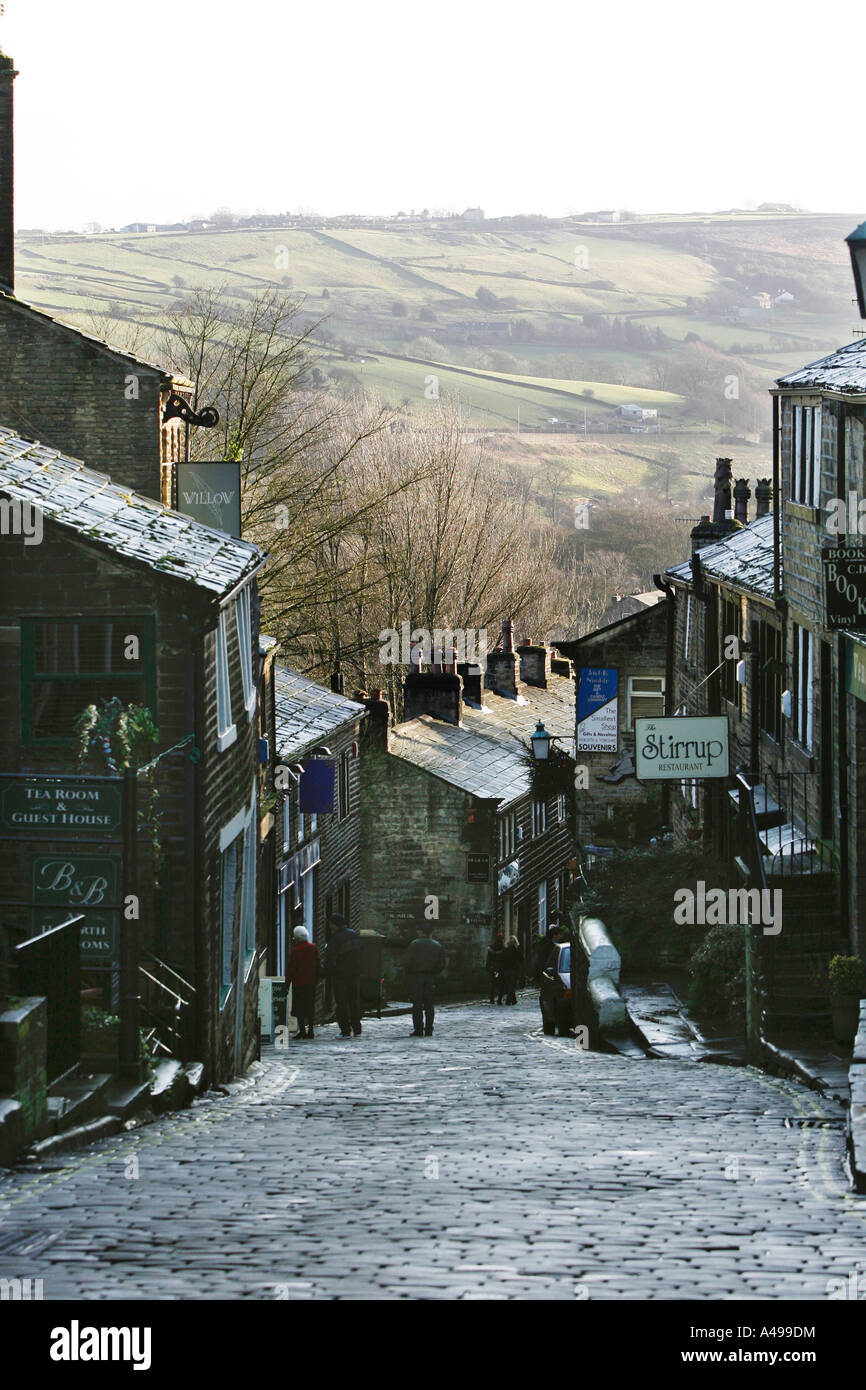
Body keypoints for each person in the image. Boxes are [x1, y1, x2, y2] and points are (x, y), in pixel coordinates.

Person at [324, 913, 362, 1037]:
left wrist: (328, 972)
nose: (329, 926)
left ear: (335, 925)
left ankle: (345, 1031)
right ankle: (357, 1029)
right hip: (354, 974)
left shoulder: (335, 939)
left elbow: (330, 958)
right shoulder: (354, 935)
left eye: (331, 924)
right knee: (354, 1002)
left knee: (341, 1003)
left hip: (340, 975)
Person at [405, 923, 445, 1036]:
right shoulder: (437, 945)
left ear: (421, 932)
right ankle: (429, 1029)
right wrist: (434, 972)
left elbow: (407, 961)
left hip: (416, 976)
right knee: (429, 1004)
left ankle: (418, 1029)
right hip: (430, 976)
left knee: (417, 1004)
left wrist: (410, 972)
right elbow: (442, 964)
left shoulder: (415, 944)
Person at [285, 924, 321, 1040]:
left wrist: (287, 984)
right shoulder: (313, 948)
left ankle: (302, 1031)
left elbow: (291, 969)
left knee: (299, 1008)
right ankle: (311, 1030)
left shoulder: (296, 951)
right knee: (310, 1006)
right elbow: (318, 964)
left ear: (297, 938)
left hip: (299, 983)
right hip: (311, 982)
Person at [486, 933, 506, 1004]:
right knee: (501, 984)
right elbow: (505, 960)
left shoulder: (491, 948)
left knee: (493, 984)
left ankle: (491, 998)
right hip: (500, 968)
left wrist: (487, 967)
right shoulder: (503, 949)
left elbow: (488, 959)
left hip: (493, 968)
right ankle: (499, 1000)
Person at [501, 935, 521, 1005]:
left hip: (506, 970)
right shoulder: (517, 950)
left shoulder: (505, 950)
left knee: (510, 985)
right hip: (514, 969)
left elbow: (502, 960)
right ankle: (508, 1000)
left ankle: (514, 1000)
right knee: (512, 986)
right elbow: (521, 960)